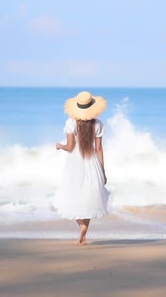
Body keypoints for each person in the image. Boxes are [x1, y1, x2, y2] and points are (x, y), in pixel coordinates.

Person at [55, 91, 109, 245]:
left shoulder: (71, 123)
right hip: (92, 162)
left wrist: (60, 146)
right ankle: (85, 228)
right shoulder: (98, 124)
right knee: (91, 194)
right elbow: (99, 149)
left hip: (74, 163)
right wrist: (103, 171)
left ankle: (82, 225)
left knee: (74, 194)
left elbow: (70, 147)